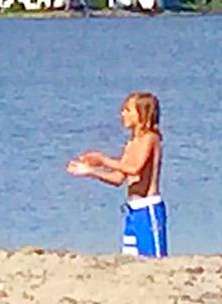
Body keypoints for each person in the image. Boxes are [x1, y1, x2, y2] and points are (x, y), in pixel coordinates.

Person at [67, 92, 167, 257]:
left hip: (148, 209)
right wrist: (90, 171)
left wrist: (103, 159)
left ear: (142, 114)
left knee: (153, 259)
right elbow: (118, 178)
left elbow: (135, 168)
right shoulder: (131, 143)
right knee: (131, 258)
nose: (122, 114)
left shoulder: (151, 138)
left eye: (128, 110)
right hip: (133, 211)